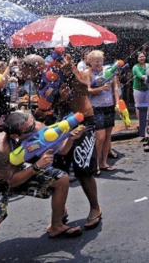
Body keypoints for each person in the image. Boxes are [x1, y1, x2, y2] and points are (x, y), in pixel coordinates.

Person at [0, 111, 84, 263]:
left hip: (20, 170)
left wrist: (70, 138)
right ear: (16, 135)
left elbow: (62, 150)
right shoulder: (0, 149)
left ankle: (56, 226)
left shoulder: (37, 127)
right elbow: (12, 182)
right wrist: (36, 166)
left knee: (61, 179)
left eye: (33, 123)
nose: (35, 129)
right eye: (29, 129)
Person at [19, 53, 102, 231]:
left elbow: (83, 90)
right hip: (61, 124)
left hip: (83, 121)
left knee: (82, 168)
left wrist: (71, 75)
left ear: (36, 67)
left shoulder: (64, 68)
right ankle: (60, 213)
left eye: (25, 70)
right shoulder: (40, 80)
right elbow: (47, 107)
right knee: (58, 169)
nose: (23, 75)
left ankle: (95, 207)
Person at [87, 50, 120, 173]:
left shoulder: (109, 71)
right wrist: (100, 88)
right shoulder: (88, 73)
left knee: (107, 136)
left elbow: (115, 88)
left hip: (110, 106)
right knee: (99, 137)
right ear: (90, 62)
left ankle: (104, 163)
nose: (99, 63)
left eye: (101, 61)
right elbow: (88, 90)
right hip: (97, 107)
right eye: (96, 61)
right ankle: (94, 164)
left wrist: (117, 103)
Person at [132, 52, 149, 121]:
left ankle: (147, 121)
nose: (142, 58)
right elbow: (141, 76)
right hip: (138, 89)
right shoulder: (135, 67)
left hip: (147, 89)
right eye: (140, 57)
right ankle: (140, 121)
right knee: (138, 106)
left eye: (143, 56)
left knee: (148, 105)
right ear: (137, 59)